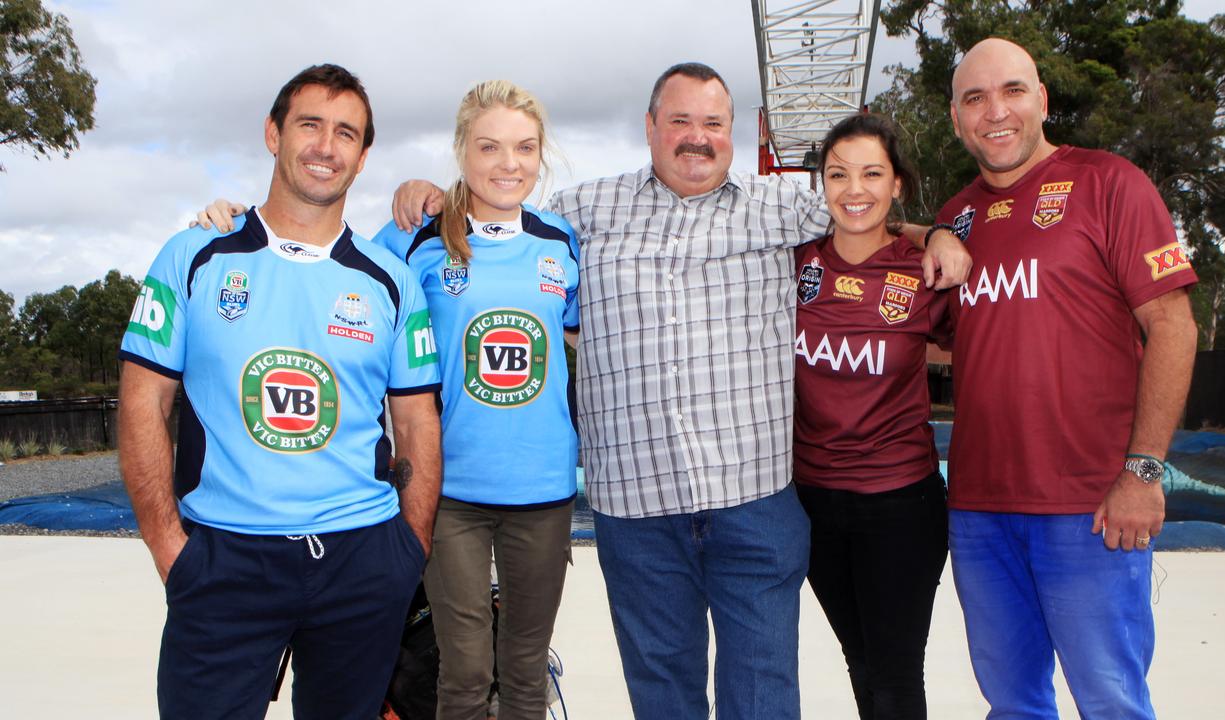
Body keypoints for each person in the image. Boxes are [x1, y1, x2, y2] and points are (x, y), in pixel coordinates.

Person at [209, 61, 972, 719]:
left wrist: (938, 233)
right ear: (649, 127)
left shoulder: (783, 209)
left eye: (713, 121)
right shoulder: (579, 216)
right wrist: (418, 193)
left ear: (733, 131)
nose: (696, 136)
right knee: (661, 692)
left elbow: (866, 208)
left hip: (754, 501)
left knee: (762, 693)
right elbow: (474, 211)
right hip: (639, 512)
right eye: (679, 120)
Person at [118, 64, 443, 719]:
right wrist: (169, 548)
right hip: (223, 561)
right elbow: (141, 403)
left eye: (345, 133)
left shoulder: (391, 281)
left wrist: (408, 549)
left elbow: (416, 422)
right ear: (274, 133)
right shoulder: (194, 256)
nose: (326, 146)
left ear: (363, 155)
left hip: (362, 558)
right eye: (310, 125)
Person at [936, 38, 1199, 718]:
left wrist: (1144, 471)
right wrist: (926, 230)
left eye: (1013, 91)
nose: (996, 111)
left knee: (1110, 700)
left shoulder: (1109, 183)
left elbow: (1173, 325)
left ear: (1042, 100)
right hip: (980, 509)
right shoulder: (957, 217)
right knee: (1013, 703)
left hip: (1091, 507)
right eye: (975, 98)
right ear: (957, 119)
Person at [371, 80, 580, 720]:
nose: (508, 164)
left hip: (543, 488)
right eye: (489, 147)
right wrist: (232, 221)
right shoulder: (416, 237)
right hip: (451, 489)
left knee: (524, 671)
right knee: (462, 672)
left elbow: (581, 331)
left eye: (524, 147)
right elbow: (327, 275)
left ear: (540, 154)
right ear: (463, 150)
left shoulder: (560, 242)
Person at [792, 113, 949, 719]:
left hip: (900, 505)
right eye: (838, 174)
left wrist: (941, 233)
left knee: (895, 672)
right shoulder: (794, 261)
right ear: (822, 184)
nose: (854, 189)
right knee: (860, 658)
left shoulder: (925, 269)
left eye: (871, 174)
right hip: (812, 503)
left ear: (896, 185)